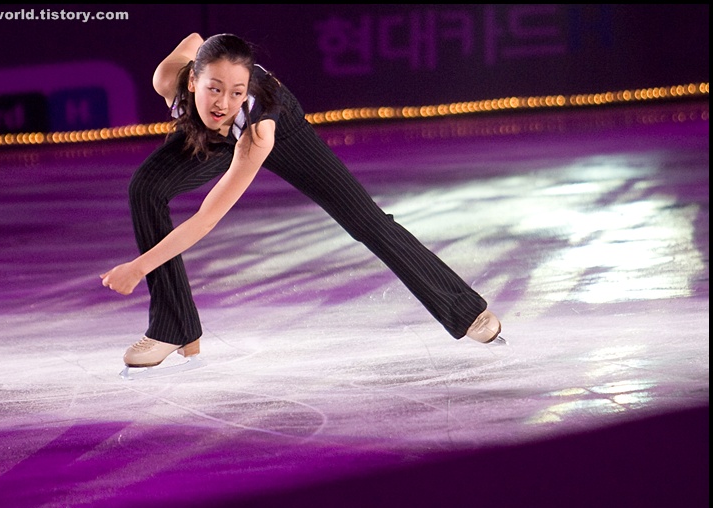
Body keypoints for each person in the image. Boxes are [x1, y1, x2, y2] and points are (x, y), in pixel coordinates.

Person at [100, 32, 504, 368]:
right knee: (146, 188)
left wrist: (138, 267)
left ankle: (465, 309)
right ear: (192, 83)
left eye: (236, 91)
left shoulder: (260, 131)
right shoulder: (168, 78)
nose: (223, 102)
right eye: (214, 89)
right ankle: (173, 328)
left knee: (367, 222)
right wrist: (217, 56)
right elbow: (193, 40)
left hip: (281, 131)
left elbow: (207, 217)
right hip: (210, 134)